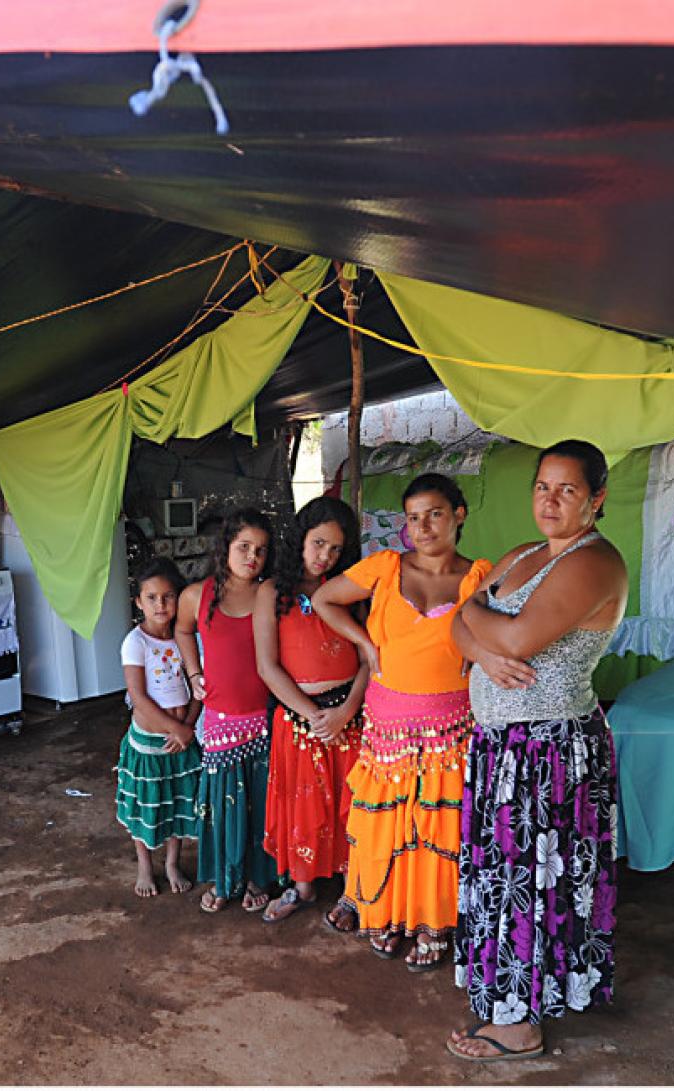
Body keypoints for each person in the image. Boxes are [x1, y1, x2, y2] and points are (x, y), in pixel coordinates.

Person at [445, 439, 627, 1062]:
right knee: (505, 874)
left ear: (597, 499)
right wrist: (478, 645)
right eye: (543, 487)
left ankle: (521, 1024)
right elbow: (456, 630)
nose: (550, 501)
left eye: (568, 490)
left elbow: (516, 636)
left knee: (531, 877)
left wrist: (476, 615)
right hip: (504, 749)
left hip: (547, 753)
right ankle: (506, 996)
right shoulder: (525, 554)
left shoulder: (594, 563)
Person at [312, 474, 492, 968]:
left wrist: (479, 658)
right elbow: (325, 599)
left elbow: (499, 636)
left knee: (438, 826)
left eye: (434, 513)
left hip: (450, 728)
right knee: (386, 821)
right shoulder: (385, 568)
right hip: (388, 726)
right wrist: (366, 644)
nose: (423, 526)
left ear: (459, 514)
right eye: (413, 517)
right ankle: (385, 911)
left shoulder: (481, 577)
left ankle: (434, 921)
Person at [255, 497, 368, 922]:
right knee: (304, 806)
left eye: (336, 549)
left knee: (352, 803)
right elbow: (268, 667)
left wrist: (345, 711)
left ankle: (352, 892)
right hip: (298, 719)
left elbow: (367, 661)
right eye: (319, 543)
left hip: (348, 717)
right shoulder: (272, 592)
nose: (326, 556)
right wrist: (313, 716)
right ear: (300, 538)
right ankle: (302, 887)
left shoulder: (351, 591)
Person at [175, 507, 276, 914]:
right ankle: (224, 877)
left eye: (261, 550)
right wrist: (193, 671)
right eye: (244, 547)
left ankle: (258, 876)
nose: (252, 557)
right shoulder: (196, 595)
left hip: (266, 716)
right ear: (226, 548)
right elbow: (182, 630)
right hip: (219, 719)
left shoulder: (271, 592)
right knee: (222, 803)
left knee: (261, 801)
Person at [115, 557, 202, 897]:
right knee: (146, 804)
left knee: (178, 801)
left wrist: (189, 726)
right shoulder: (136, 643)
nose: (161, 604)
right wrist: (175, 729)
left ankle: (171, 862)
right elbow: (138, 697)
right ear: (139, 602)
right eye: (151, 598)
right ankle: (145, 865)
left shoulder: (184, 638)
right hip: (151, 743)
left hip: (181, 738)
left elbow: (199, 686)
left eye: (168, 596)